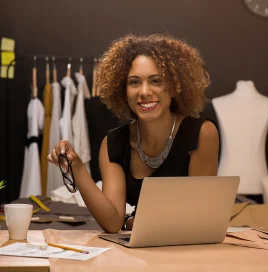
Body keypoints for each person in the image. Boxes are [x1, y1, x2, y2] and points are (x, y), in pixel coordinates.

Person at [47, 34, 219, 233]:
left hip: (186, 252)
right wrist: (76, 167)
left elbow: (199, 217)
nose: (144, 92)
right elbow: (112, 223)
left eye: (156, 81)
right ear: (123, 91)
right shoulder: (114, 144)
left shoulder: (201, 134)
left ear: (174, 87)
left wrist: (133, 222)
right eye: (135, 82)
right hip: (138, 254)